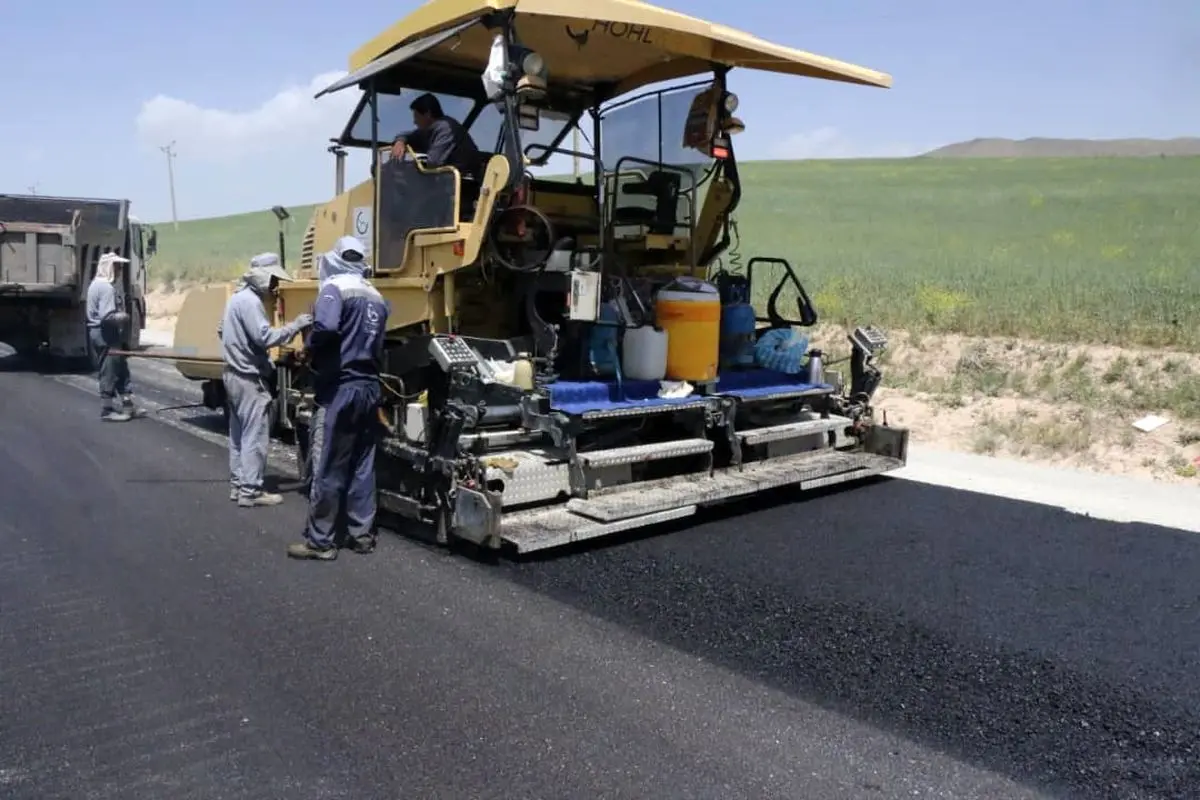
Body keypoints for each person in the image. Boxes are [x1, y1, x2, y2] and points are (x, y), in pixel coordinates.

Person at [288, 236, 390, 561]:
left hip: (342, 389)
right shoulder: (376, 296)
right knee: (363, 464)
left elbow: (327, 326)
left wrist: (309, 347)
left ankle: (321, 542)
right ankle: (361, 535)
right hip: (370, 387)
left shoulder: (334, 289)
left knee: (331, 463)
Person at [217, 253, 313, 507]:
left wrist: (239, 347)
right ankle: (251, 491)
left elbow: (220, 329)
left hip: (232, 374)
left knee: (238, 435)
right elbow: (264, 337)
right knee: (255, 436)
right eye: (272, 279)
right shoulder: (251, 302)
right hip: (248, 378)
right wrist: (296, 325)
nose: (273, 286)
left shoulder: (236, 300)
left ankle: (238, 486)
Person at [389, 92, 483, 216]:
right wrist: (400, 141)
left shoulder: (446, 128)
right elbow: (408, 135)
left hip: (461, 186)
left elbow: (433, 162)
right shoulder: (430, 129)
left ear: (427, 114)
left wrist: (408, 168)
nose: (414, 122)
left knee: (412, 197)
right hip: (448, 183)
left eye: (417, 117)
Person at [85, 252, 140, 422]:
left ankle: (128, 404)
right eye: (117, 267)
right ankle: (107, 409)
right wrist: (123, 317)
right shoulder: (106, 288)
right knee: (109, 370)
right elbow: (106, 316)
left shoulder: (94, 285)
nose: (119, 270)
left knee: (120, 367)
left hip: (101, 333)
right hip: (105, 333)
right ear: (109, 268)